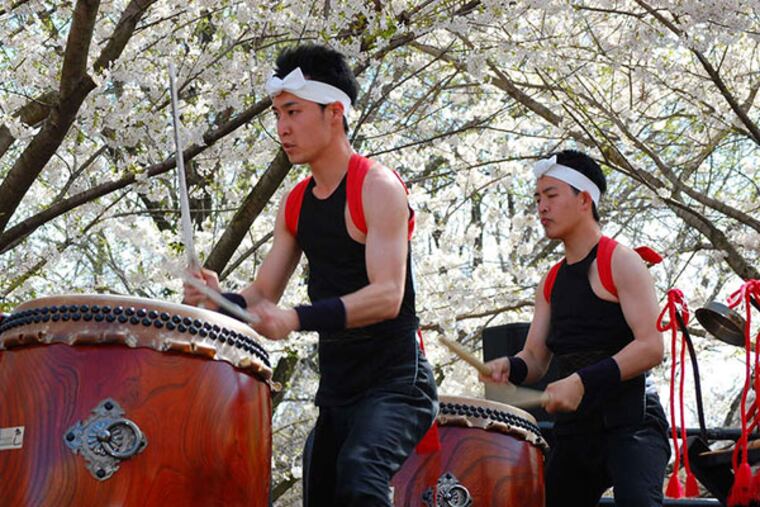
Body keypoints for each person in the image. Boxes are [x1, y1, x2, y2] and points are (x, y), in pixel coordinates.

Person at [183, 43, 438, 507]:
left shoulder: (378, 187)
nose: (282, 128)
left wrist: (297, 318)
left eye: (294, 112)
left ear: (334, 112)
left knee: (361, 475)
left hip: (398, 380)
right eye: (278, 113)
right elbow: (263, 294)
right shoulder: (296, 203)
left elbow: (387, 295)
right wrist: (218, 300)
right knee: (321, 492)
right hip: (338, 384)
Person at [481, 150, 670, 507]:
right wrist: (512, 366)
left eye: (551, 195)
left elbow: (651, 347)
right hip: (577, 430)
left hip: (632, 422)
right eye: (538, 199)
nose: (541, 208)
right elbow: (536, 357)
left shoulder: (621, 261)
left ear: (584, 199)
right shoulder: (550, 280)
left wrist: (582, 381)